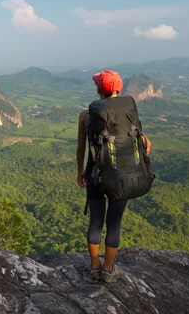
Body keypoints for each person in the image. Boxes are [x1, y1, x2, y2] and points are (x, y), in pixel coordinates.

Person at [76, 70, 152, 283]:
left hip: (95, 176)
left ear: (99, 89)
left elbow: (81, 149)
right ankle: (108, 270)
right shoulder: (129, 112)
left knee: (96, 221)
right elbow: (146, 145)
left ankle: (93, 268)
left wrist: (80, 172)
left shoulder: (86, 114)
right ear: (119, 88)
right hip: (123, 177)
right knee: (114, 222)